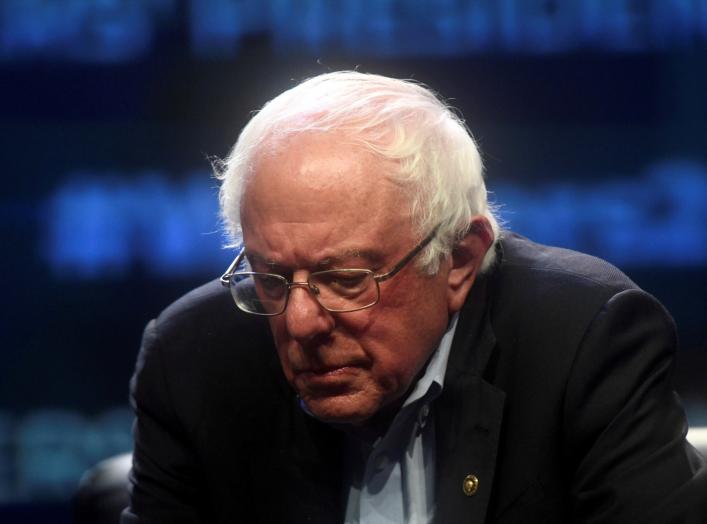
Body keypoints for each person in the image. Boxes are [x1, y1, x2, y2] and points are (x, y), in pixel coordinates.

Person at [122, 71, 706, 523]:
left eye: (346, 279)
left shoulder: (583, 341)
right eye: (271, 277)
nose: (300, 323)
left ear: (459, 260)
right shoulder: (191, 360)